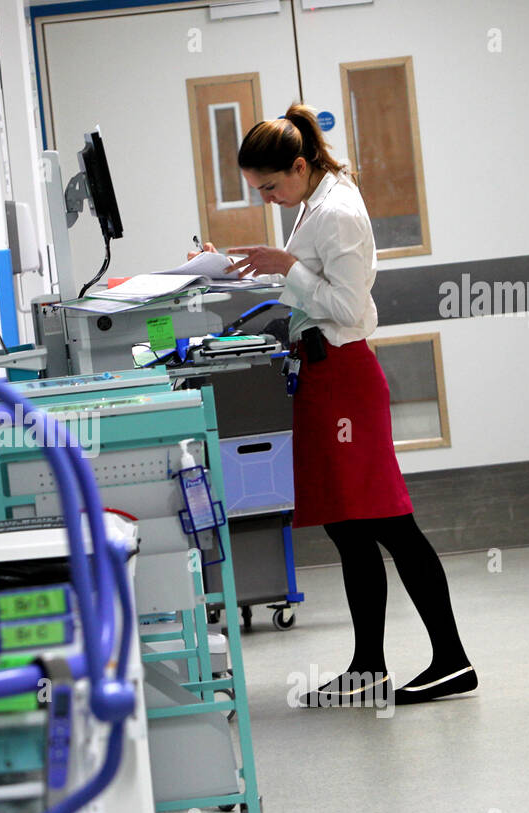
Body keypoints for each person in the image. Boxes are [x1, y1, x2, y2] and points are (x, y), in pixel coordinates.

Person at [201, 104, 476, 707]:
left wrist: (289, 267)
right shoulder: (313, 202)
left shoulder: (339, 212)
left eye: (271, 186)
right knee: (347, 529)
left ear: (300, 165)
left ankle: (452, 660)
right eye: (259, 190)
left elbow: (348, 308)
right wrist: (238, 272)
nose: (269, 198)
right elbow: (306, 288)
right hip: (321, 378)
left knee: (388, 523)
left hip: (346, 378)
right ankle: (367, 667)